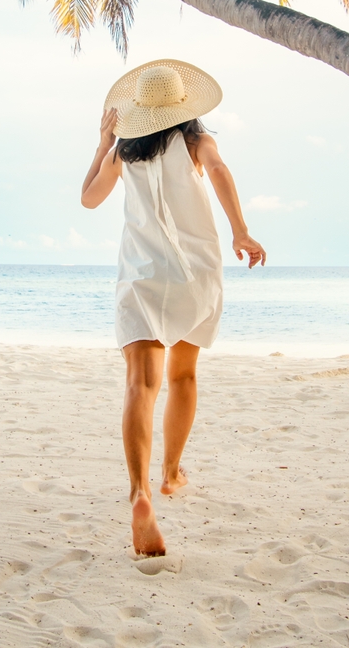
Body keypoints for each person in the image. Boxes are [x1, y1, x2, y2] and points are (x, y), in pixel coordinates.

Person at [81, 60, 266, 556]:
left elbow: (89, 199)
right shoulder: (195, 143)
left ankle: (139, 491)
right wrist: (240, 230)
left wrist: (103, 143)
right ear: (185, 106)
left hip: (142, 276)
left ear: (139, 113)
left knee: (141, 383)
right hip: (194, 275)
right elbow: (221, 171)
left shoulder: (125, 152)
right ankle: (170, 473)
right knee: (183, 376)